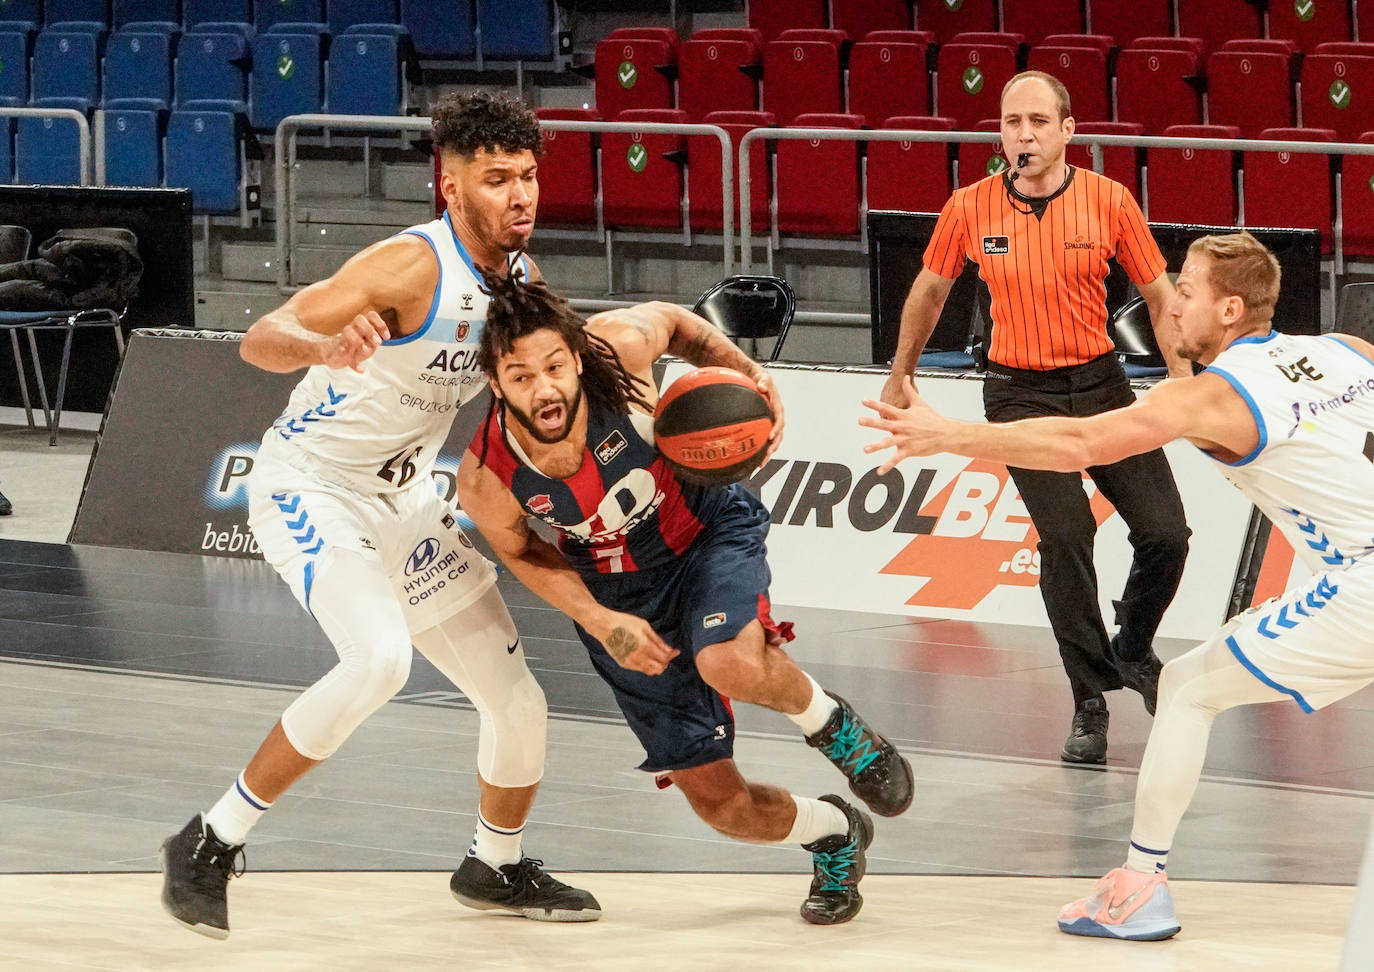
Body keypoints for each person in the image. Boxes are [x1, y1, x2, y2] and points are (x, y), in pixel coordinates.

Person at [158, 92, 600, 940]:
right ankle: (209, 842)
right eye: (497, 178)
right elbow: (262, 336)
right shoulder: (409, 268)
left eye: (530, 176)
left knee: (520, 704)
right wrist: (323, 348)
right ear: (451, 182)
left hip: (405, 501)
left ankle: (493, 865)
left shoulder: (522, 283)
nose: (521, 196)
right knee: (379, 664)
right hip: (312, 485)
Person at [862, 230, 1374, 942]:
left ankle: (1140, 885)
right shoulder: (1345, 352)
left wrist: (948, 437)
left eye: (1185, 293)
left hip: (1363, 587)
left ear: (1228, 311)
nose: (1168, 308)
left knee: (1190, 689)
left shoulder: (1212, 396)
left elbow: (1077, 445)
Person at [455, 270, 915, 925]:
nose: (546, 387)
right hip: (615, 596)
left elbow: (675, 320)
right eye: (521, 376)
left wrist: (749, 373)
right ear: (496, 384)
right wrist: (596, 616)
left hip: (703, 532)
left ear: (576, 355)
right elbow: (524, 551)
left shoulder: (617, 348)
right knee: (723, 809)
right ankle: (835, 832)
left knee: (726, 659)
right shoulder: (486, 475)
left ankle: (839, 733)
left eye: (555, 365)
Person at [879, 70, 1193, 765]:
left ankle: (1133, 647)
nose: (1023, 135)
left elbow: (1158, 288)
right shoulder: (970, 207)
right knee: (1067, 534)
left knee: (1167, 532)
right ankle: (1089, 698)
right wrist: (901, 373)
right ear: (1000, 132)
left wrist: (1180, 380)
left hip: (1103, 385)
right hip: (1019, 395)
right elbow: (930, 291)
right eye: (1011, 122)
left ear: (1067, 131)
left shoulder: (1109, 201)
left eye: (1037, 122)